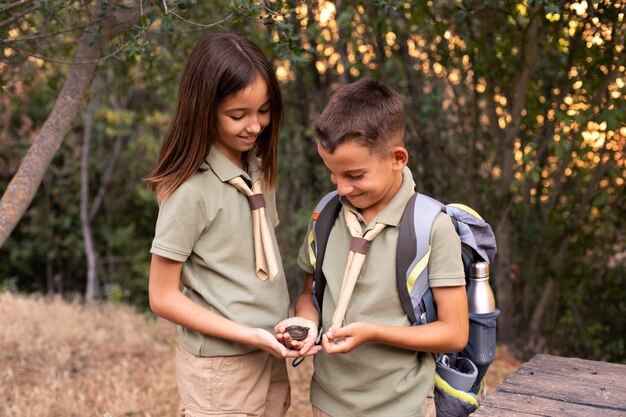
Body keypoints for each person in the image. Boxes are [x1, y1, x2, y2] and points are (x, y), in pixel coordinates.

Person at [145, 31, 318, 417]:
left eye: (263, 111)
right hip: (220, 369)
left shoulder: (255, 166)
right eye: (238, 115)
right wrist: (247, 334)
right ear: (203, 109)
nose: (254, 126)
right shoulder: (189, 190)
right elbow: (162, 296)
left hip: (267, 353)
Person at [276, 79, 469, 417]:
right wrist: (306, 322)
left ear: (397, 158)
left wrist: (373, 333)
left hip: (402, 406)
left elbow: (454, 333)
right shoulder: (326, 214)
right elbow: (310, 294)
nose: (342, 187)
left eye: (355, 175)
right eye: (333, 174)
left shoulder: (431, 226)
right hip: (327, 403)